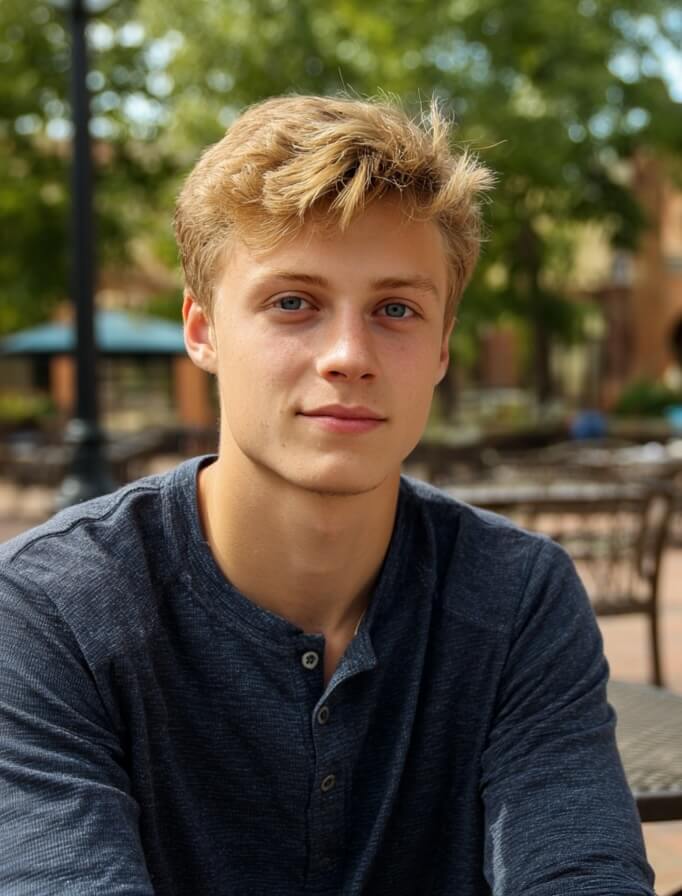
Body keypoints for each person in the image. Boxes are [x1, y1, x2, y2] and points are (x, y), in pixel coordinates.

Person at [0, 95, 654, 895]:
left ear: (444, 346)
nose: (349, 354)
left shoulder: (517, 599)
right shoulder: (50, 612)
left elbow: (581, 873)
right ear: (202, 330)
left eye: (396, 309)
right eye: (293, 302)